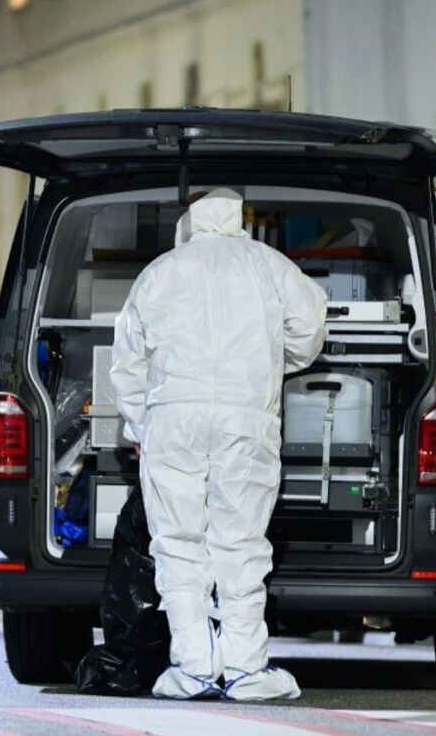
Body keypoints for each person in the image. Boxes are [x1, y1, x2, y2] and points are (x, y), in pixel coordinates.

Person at [109, 189, 327, 701]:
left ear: (189, 222)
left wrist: (145, 425)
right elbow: (311, 326)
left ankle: (193, 668)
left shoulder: (160, 272)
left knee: (177, 543)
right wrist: (275, 361)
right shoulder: (269, 265)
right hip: (244, 416)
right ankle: (247, 670)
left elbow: (127, 362)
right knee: (241, 541)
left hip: (173, 418)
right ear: (238, 220)